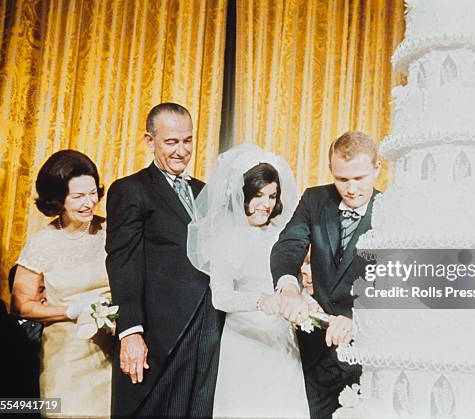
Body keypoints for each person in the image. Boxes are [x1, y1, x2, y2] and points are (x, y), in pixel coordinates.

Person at [105, 103, 223, 418]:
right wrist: (130, 331)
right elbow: (122, 262)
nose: (181, 150)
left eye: (187, 140)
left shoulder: (204, 192)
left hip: (209, 324)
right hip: (160, 333)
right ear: (149, 140)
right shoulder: (130, 190)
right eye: (171, 142)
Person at [187, 143, 309, 418]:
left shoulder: (281, 235)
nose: (265, 204)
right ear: (242, 194)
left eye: (271, 196)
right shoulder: (226, 238)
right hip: (244, 340)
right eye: (258, 195)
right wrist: (261, 301)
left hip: (281, 337)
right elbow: (221, 297)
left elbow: (293, 281)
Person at [271, 131, 381, 418]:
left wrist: (358, 320)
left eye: (360, 178)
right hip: (315, 353)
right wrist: (289, 288)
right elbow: (289, 245)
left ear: (377, 168)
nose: (352, 188)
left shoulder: (393, 212)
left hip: (368, 355)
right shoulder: (315, 200)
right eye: (342, 179)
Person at [12, 149, 112, 417]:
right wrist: (70, 310)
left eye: (93, 193)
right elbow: (22, 306)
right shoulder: (43, 243)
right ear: (58, 199)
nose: (89, 203)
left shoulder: (112, 232)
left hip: (112, 357)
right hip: (66, 359)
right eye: (78, 196)